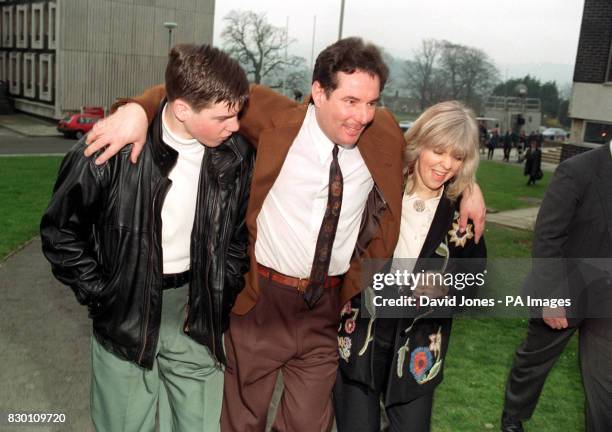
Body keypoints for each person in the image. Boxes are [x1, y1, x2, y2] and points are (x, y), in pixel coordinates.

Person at [85, 37, 487, 431]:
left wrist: (468, 189)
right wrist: (139, 108)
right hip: (262, 300)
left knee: (309, 422)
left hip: (327, 307)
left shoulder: (381, 133)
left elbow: (435, 155)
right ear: (318, 91)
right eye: (350, 101)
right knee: (241, 420)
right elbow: (191, 94)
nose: (362, 115)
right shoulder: (271, 115)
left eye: (371, 102)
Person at [40, 44, 254, 431]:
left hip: (197, 314)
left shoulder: (236, 156)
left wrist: (225, 288)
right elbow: (61, 233)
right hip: (127, 314)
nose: (236, 125)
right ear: (183, 109)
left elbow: (237, 236)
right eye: (225, 116)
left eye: (238, 113)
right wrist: (105, 295)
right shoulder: (110, 152)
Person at [333, 101, 486, 432]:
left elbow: (475, 284)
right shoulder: (378, 188)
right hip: (361, 339)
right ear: (419, 144)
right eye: (439, 151)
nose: (446, 165)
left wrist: (448, 289)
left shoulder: (462, 216)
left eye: (457, 157)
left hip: (418, 351)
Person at [501, 143, 612, 432]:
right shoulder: (577, 171)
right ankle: (513, 418)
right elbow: (548, 237)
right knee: (533, 364)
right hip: (566, 293)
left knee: (605, 386)